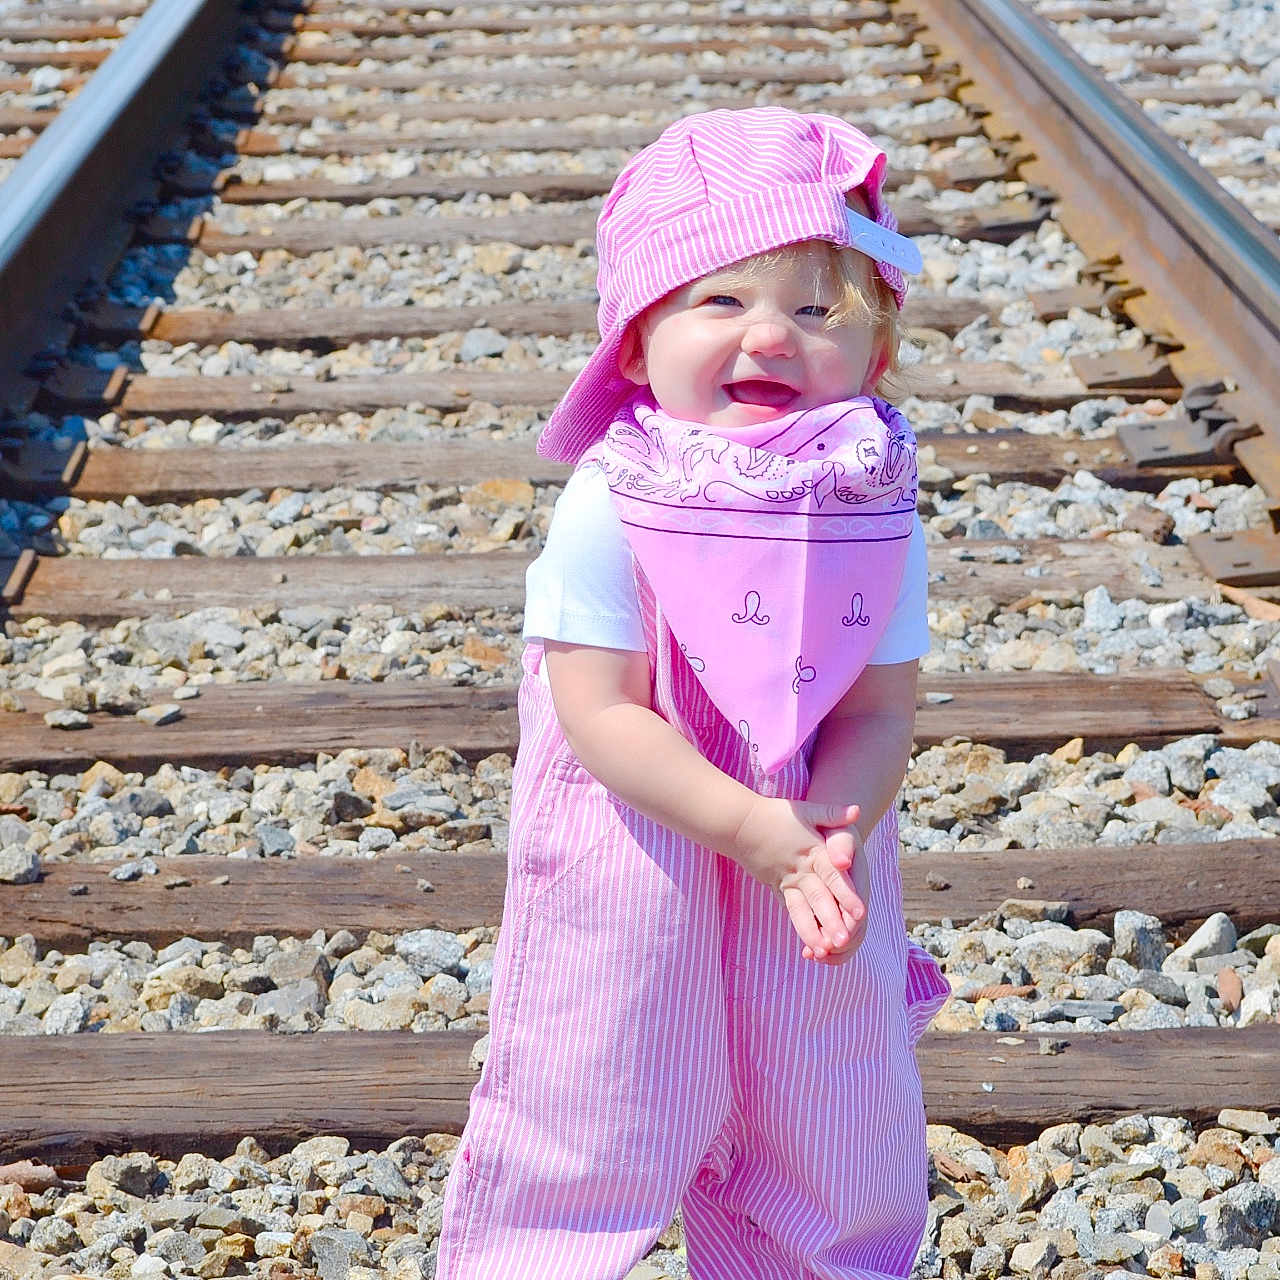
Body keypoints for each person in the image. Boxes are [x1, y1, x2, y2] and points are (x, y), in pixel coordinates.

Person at [436, 106, 949, 1280]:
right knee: (598, 1078)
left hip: (811, 836)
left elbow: (876, 709)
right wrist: (742, 827)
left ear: (873, 350)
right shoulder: (613, 498)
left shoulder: (868, 496)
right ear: (632, 343)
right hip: (636, 841)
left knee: (830, 1086)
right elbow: (599, 709)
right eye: (719, 301)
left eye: (816, 308)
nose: (768, 332)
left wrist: (829, 828)